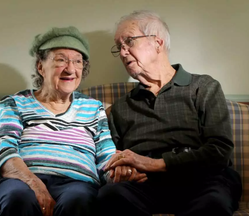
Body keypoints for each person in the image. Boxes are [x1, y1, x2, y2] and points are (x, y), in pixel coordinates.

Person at [98, 10, 242, 216]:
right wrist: (121, 171)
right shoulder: (122, 107)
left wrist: (154, 163)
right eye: (119, 47)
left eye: (129, 41)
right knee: (110, 196)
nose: (122, 52)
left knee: (213, 204)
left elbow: (219, 150)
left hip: (203, 179)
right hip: (146, 186)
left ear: (158, 43)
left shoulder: (203, 87)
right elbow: (113, 159)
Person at [0, 26, 122, 216]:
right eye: (61, 60)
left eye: (77, 62)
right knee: (18, 199)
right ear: (40, 66)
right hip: (21, 181)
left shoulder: (93, 108)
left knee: (79, 200)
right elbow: (4, 149)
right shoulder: (16, 103)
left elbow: (105, 155)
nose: (70, 69)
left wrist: (118, 172)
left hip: (77, 184)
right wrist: (35, 184)